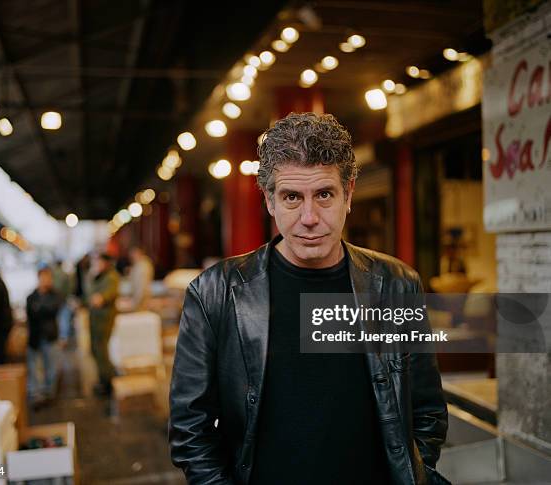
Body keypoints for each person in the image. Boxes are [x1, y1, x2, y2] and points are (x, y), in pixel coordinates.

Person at [169, 113, 449, 485]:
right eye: (291, 197)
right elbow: (190, 429)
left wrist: (413, 472)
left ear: (348, 194)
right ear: (269, 201)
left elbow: (427, 410)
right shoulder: (215, 293)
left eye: (324, 194)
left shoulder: (396, 284)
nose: (309, 217)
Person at [26, 267, 62, 405]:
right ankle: (36, 393)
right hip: (35, 336)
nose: (46, 280)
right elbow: (32, 313)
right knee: (34, 366)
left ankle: (49, 392)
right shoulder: (31, 296)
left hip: (50, 335)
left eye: (48, 277)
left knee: (51, 365)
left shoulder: (56, 295)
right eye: (43, 277)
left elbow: (52, 309)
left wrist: (39, 308)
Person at [86, 253, 119, 396]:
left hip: (104, 320)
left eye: (98, 262)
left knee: (101, 351)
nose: (96, 265)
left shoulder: (111, 276)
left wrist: (98, 298)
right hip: (95, 319)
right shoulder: (99, 276)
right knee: (95, 350)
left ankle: (108, 383)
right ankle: (103, 380)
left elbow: (101, 298)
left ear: (105, 263)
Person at [128, 247, 154, 311]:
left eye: (133, 254)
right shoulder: (139, 264)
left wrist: (137, 301)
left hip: (141, 298)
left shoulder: (142, 266)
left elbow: (141, 285)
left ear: (137, 253)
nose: (131, 257)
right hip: (140, 297)